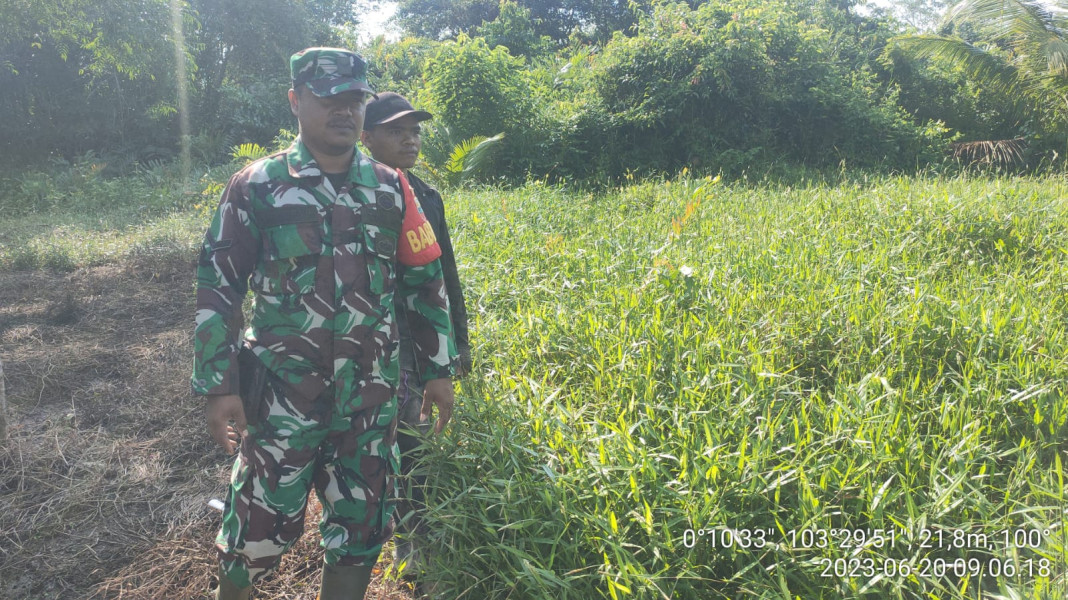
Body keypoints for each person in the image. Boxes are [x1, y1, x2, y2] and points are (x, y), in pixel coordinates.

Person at [191, 47, 457, 600]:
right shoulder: (256, 186)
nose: (345, 110)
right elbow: (218, 285)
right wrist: (219, 386)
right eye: (329, 98)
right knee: (254, 533)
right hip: (283, 403)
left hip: (368, 402)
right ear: (295, 101)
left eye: (355, 99)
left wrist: (438, 369)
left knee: (360, 533)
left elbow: (424, 282)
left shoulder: (392, 187)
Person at [360, 93, 472, 585]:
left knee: (416, 448)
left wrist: (456, 347)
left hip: (414, 348)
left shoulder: (426, 195)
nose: (410, 138)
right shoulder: (349, 190)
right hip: (361, 350)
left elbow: (444, 275)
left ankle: (411, 540)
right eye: (396, 130)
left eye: (416, 130)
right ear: (367, 138)